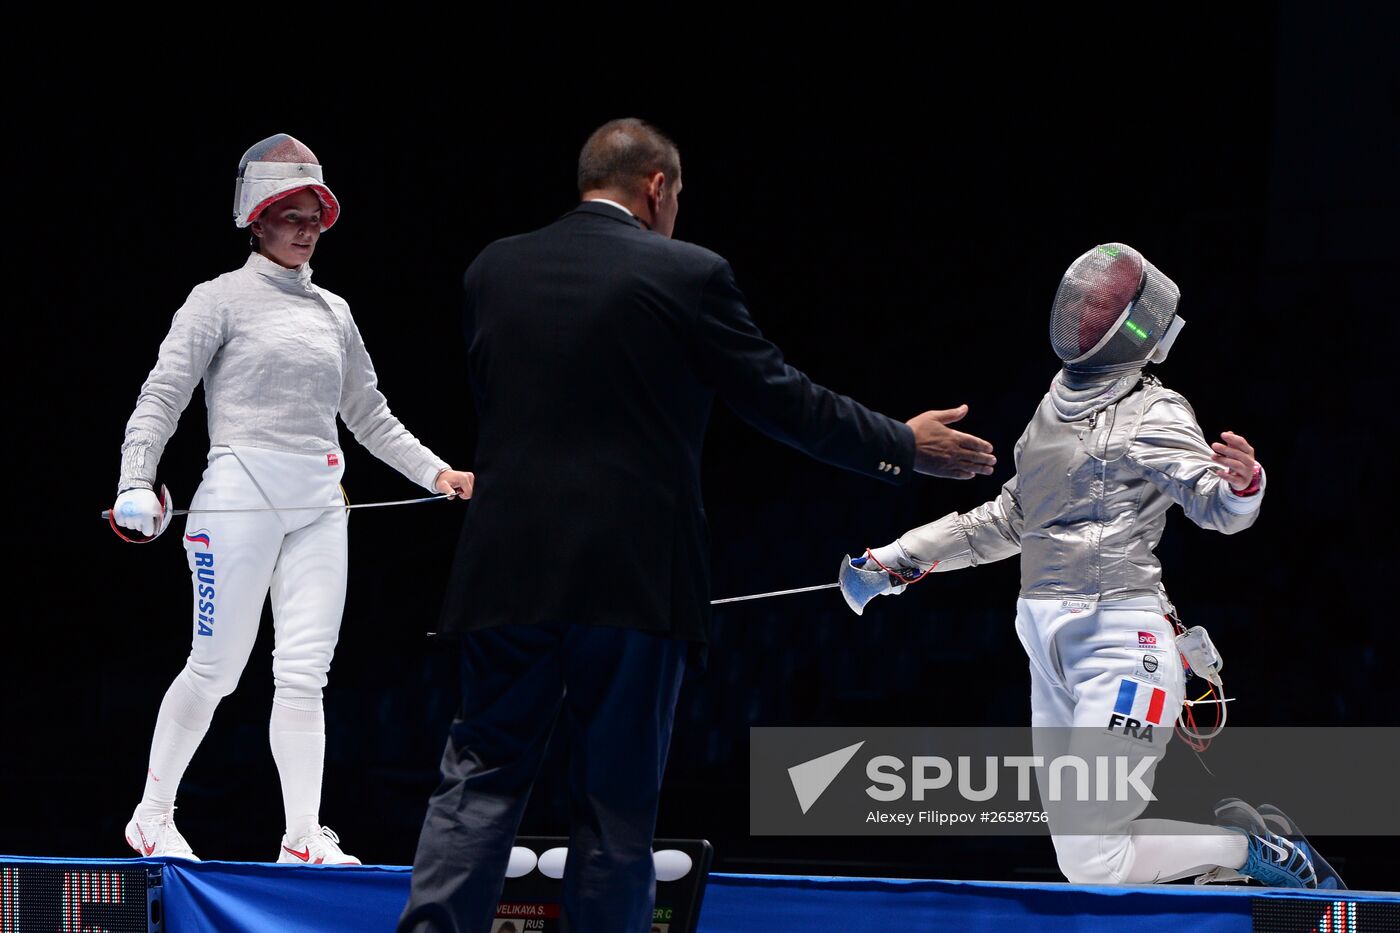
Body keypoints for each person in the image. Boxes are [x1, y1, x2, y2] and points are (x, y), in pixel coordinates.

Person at [398, 118, 996, 932]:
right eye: (678, 195)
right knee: (614, 801)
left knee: (479, 777)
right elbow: (781, 398)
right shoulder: (686, 273)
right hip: (633, 575)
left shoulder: (491, 268)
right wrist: (900, 444)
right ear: (657, 188)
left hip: (503, 567)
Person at [842, 242, 1339, 888]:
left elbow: (1213, 504)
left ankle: (1252, 853)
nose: (1086, 311)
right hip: (1051, 653)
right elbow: (1004, 520)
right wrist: (896, 559)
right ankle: (1236, 855)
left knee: (1092, 858)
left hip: (1122, 645)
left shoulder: (1155, 412)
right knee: (1088, 858)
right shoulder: (1048, 418)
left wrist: (1243, 487)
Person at [111, 133, 474, 865]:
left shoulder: (334, 313)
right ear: (257, 218)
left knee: (305, 673)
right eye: (291, 215)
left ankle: (302, 836)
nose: (306, 228)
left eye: (315, 216)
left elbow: (369, 414)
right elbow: (162, 396)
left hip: (319, 503)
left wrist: (439, 472)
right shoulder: (217, 299)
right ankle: (152, 815)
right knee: (216, 667)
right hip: (235, 500)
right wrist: (133, 479)